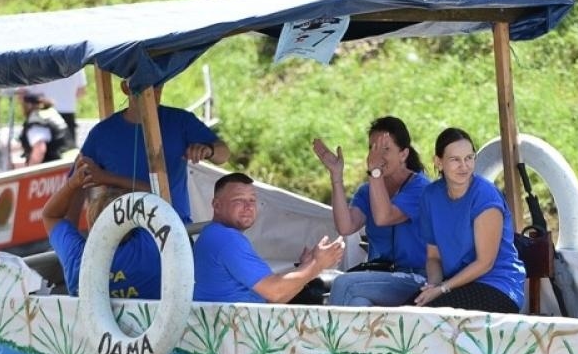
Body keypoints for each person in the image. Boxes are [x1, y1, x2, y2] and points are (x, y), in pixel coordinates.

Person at [312, 118, 431, 308]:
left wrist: (374, 171)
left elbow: (385, 217)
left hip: (416, 278)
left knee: (344, 284)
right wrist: (336, 176)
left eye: (385, 149)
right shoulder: (368, 190)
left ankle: (329, 338)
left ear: (403, 154)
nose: (376, 156)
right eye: (372, 148)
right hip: (380, 275)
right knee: (358, 302)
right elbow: (346, 226)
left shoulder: (421, 188)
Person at [412, 128, 525, 313]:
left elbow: (485, 263)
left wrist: (442, 289)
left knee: (430, 315)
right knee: (409, 311)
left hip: (498, 286)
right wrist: (433, 286)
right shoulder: (430, 196)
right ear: (438, 162)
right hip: (454, 285)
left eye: (469, 158)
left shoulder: (485, 195)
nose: (464, 166)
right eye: (455, 159)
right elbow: (433, 257)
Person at [79, 85, 228, 222]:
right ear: (125, 87)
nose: (153, 91)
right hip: (124, 234)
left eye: (158, 84)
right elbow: (76, 182)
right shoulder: (101, 133)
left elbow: (224, 154)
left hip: (174, 229)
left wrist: (209, 150)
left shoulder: (180, 121)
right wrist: (80, 239)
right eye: (144, 85)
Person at [193, 172, 345, 304]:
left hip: (242, 323)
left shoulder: (215, 234)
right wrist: (317, 265)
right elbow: (274, 293)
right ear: (217, 205)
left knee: (320, 287)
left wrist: (306, 267)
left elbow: (277, 296)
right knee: (339, 288)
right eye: (238, 200)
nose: (248, 207)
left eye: (252, 200)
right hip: (237, 330)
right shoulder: (226, 238)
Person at [43, 158, 160, 299]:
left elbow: (50, 216)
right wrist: (106, 177)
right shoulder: (149, 247)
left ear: (93, 225)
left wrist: (73, 184)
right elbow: (158, 198)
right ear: (133, 222)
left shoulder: (78, 258)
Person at [20, 90, 76, 164]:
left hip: (57, 166)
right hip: (71, 163)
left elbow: (39, 149)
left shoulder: (37, 120)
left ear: (29, 105)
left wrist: (28, 172)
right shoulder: (50, 113)